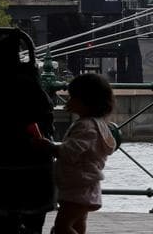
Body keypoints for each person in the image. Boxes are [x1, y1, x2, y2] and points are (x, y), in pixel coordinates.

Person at [46, 73, 117, 234]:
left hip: (76, 186)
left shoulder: (84, 126)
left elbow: (70, 152)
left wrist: (49, 147)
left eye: (73, 98)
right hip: (89, 186)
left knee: (61, 227)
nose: (68, 101)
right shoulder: (100, 125)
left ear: (87, 101)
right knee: (78, 224)